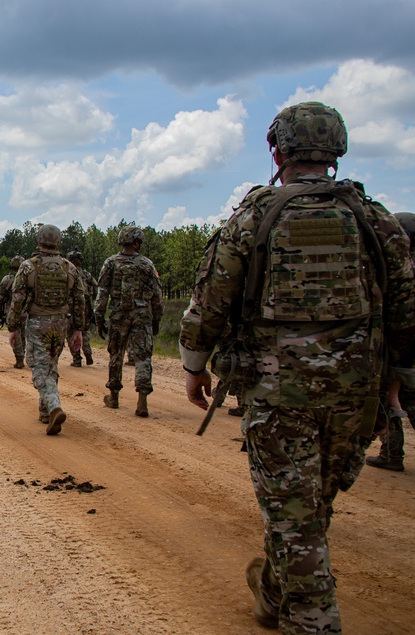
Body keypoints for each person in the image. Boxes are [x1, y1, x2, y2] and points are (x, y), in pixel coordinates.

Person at [179, 101, 415, 633]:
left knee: (296, 515)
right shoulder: (374, 219)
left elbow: (211, 298)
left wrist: (194, 364)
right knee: (308, 509)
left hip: (277, 395)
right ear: (338, 149)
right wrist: (398, 382)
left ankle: (312, 619)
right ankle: (270, 594)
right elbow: (407, 311)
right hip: (355, 397)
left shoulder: (255, 216)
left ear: (276, 149)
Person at [7, 224, 87, 435]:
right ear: (58, 241)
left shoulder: (27, 267)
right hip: (61, 323)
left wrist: (13, 327)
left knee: (39, 368)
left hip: (37, 324)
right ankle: (45, 412)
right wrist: (78, 329)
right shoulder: (69, 268)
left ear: (39, 240)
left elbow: (17, 299)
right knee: (51, 364)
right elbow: (80, 300)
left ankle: (53, 406)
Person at [94, 226, 164, 417]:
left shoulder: (110, 263)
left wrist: (99, 318)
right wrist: (157, 318)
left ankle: (114, 396)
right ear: (136, 242)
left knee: (116, 354)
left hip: (118, 315)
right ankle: (142, 401)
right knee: (143, 357)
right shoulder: (147, 264)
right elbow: (157, 295)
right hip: (142, 316)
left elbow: (102, 294)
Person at [366, 211, 415, 472]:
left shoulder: (397, 270)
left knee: (390, 398)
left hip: (400, 350)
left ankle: (391, 453)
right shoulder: (403, 268)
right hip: (407, 348)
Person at [66, 251, 96, 367]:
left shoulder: (68, 273)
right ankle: (88, 352)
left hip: (71, 307)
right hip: (86, 306)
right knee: (84, 330)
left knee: (70, 332)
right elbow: (95, 286)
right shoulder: (87, 275)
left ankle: (77, 358)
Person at [0, 255, 26, 368]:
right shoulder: (29, 278)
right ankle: (22, 355)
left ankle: (19, 359)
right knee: (23, 334)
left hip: (12, 311)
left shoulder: (7, 279)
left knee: (16, 333)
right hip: (26, 311)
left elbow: (0, 298)